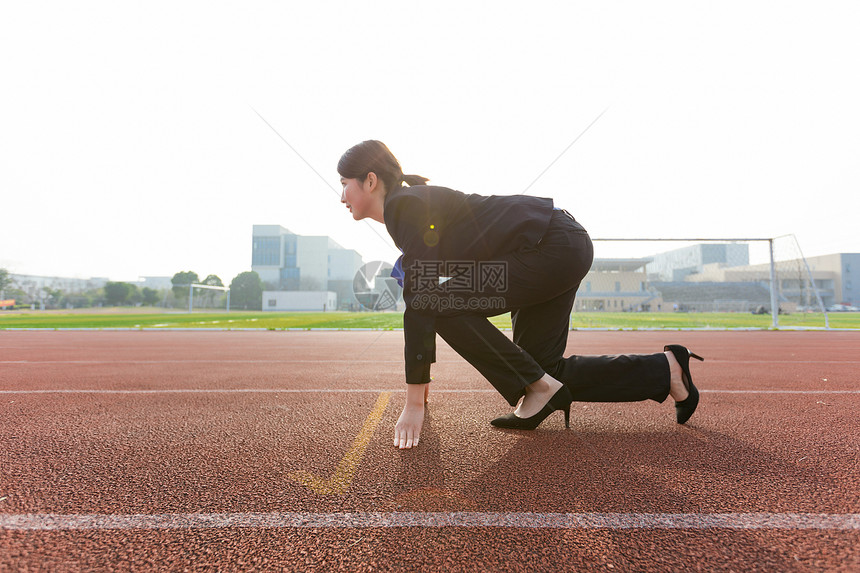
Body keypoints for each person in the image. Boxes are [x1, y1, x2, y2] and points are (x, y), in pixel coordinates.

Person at [338, 140, 703, 449]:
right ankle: (665, 371)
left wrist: (415, 402)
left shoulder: (404, 205)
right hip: (556, 244)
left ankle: (537, 386)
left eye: (344, 184)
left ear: (370, 181)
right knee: (544, 371)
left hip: (551, 246)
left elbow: (422, 302)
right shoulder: (409, 207)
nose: (342, 197)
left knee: (435, 303)